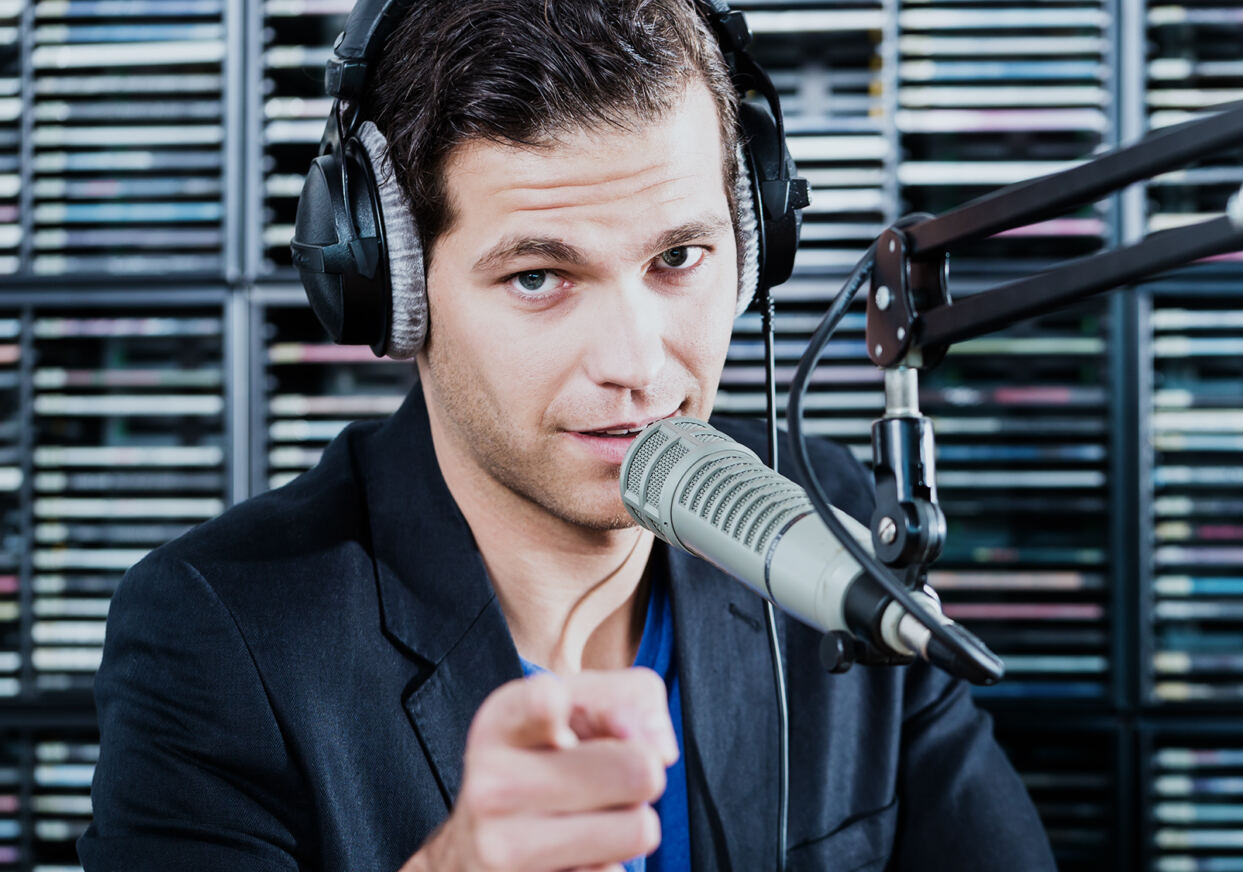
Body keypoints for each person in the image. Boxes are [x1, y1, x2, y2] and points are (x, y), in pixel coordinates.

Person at [78, 1, 1057, 870]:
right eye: (538, 277)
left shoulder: (827, 536)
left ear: (752, 236)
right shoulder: (219, 634)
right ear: (396, 289)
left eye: (679, 256)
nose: (635, 362)